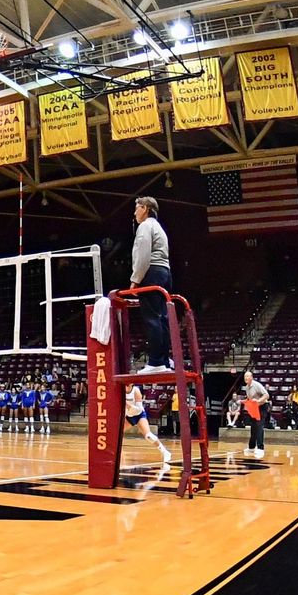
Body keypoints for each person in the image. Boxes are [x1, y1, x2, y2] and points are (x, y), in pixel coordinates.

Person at [129, 196, 172, 373]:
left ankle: (155, 362)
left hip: (151, 273)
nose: (134, 212)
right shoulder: (159, 227)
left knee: (152, 318)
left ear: (145, 208)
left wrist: (135, 279)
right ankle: (164, 360)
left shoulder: (145, 226)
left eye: (137, 208)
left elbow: (143, 255)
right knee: (162, 318)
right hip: (164, 273)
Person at [125, 384, 172, 463]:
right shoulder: (120, 391)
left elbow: (138, 410)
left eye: (128, 384)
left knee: (148, 436)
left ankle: (165, 452)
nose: (126, 385)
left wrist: (128, 405)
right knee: (116, 435)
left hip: (139, 415)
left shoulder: (136, 391)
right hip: (128, 416)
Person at [242, 371, 271, 459]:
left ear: (251, 377)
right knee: (253, 427)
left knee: (259, 426)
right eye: (245, 376)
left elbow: (267, 395)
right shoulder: (246, 387)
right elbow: (250, 398)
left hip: (262, 406)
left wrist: (258, 401)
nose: (246, 378)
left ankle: (260, 448)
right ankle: (251, 447)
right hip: (254, 408)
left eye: (247, 376)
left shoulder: (257, 385)